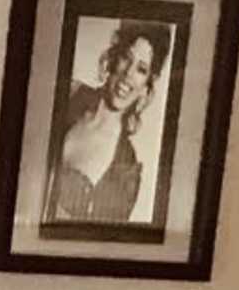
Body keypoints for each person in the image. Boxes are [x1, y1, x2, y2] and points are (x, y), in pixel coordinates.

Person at [49, 19, 170, 228]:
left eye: (141, 69)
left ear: (146, 88)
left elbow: (99, 246)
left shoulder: (125, 170)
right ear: (113, 59)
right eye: (126, 59)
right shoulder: (67, 92)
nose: (128, 75)